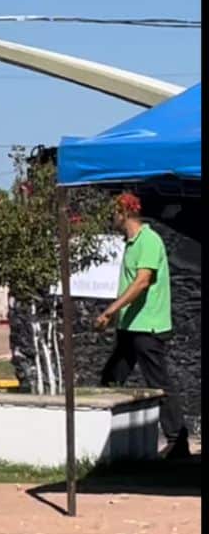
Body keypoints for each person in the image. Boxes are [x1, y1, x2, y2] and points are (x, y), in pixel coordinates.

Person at [95, 192, 188, 457]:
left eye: (114, 212)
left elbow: (142, 281)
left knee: (158, 382)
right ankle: (103, 439)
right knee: (111, 378)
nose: (111, 218)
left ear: (125, 213)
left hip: (148, 326)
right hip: (130, 326)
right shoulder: (132, 243)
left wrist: (111, 310)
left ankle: (177, 439)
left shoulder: (149, 240)